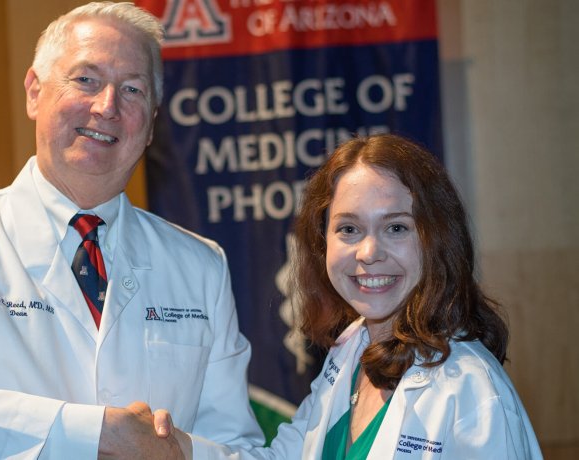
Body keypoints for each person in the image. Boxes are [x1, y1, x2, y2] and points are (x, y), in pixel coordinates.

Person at [0, 2, 264, 459]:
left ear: (152, 123)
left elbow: (240, 449)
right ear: (34, 93)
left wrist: (177, 451)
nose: (107, 107)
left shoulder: (201, 266)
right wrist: (97, 432)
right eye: (86, 80)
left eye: (133, 89)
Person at [168, 133, 543, 458]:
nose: (368, 253)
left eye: (396, 227)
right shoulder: (349, 352)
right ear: (321, 244)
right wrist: (174, 448)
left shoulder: (474, 393)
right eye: (348, 229)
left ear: (437, 240)